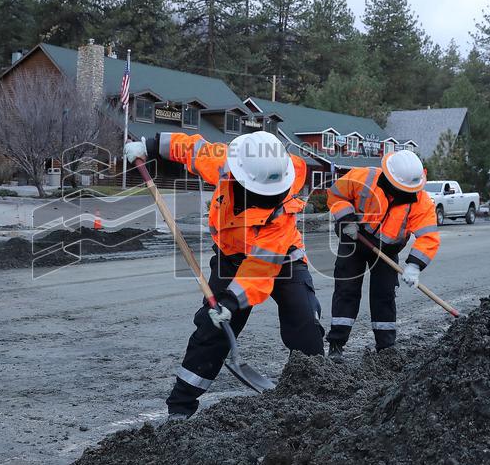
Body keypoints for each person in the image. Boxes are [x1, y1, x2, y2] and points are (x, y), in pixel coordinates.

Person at [123, 131, 324, 418]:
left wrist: (230, 301)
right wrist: (148, 144)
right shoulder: (227, 163)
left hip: (284, 260)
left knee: (305, 321)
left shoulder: (281, 208)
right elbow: (191, 148)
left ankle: (313, 399)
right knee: (212, 329)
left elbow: (259, 270)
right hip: (230, 258)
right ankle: (180, 409)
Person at [325, 150, 440, 361]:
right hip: (355, 238)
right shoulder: (363, 177)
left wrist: (414, 266)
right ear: (388, 177)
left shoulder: (420, 200)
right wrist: (346, 219)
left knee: (384, 296)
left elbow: (428, 236)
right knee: (346, 290)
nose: (404, 193)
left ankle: (386, 349)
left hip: (387, 250)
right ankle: (336, 344)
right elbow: (336, 195)